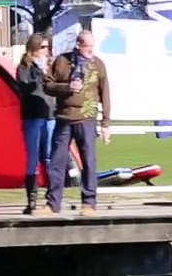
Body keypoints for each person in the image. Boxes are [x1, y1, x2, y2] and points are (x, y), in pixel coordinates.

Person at [39, 30, 111, 217]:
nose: (90, 50)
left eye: (92, 47)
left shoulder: (98, 65)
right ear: (78, 45)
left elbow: (105, 94)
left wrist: (106, 123)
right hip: (64, 119)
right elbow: (47, 85)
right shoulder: (62, 61)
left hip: (87, 118)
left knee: (89, 161)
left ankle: (89, 203)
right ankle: (52, 204)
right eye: (87, 47)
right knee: (57, 161)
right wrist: (66, 87)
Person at [16, 33, 55, 215]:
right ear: (34, 48)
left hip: (50, 115)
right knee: (33, 158)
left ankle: (51, 199)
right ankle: (31, 200)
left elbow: (56, 85)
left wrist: (48, 71)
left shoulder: (51, 66)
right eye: (42, 47)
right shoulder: (24, 67)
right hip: (33, 116)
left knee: (49, 157)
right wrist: (39, 71)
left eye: (47, 47)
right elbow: (26, 87)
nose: (45, 51)